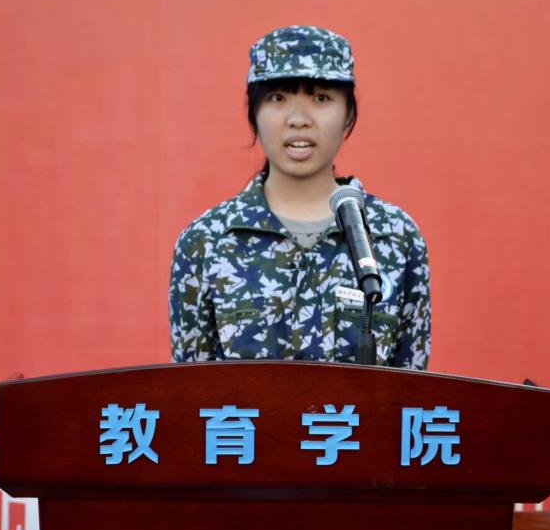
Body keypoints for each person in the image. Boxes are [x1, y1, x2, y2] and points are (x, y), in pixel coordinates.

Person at [169, 25, 430, 369]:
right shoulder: (207, 241)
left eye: (321, 98)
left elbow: (411, 388)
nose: (298, 120)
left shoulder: (395, 237)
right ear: (253, 113)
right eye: (278, 98)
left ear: (349, 113)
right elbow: (191, 391)